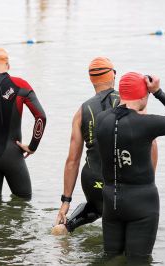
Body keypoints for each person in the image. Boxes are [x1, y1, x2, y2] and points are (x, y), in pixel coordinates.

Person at [96, 72, 165, 258]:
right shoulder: (146, 124)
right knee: (139, 262)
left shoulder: (101, 120)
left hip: (111, 203)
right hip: (142, 204)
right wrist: (158, 92)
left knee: (111, 259)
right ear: (143, 95)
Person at [51, 57, 120, 234]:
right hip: (120, 183)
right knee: (125, 220)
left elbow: (72, 161)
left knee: (95, 208)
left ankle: (65, 226)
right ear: (113, 75)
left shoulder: (81, 111)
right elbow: (150, 145)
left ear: (91, 80)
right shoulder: (130, 102)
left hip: (92, 181)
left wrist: (65, 201)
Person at [0, 48, 46, 199]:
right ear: (8, 65)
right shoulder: (20, 85)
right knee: (24, 200)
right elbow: (41, 117)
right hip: (13, 154)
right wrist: (32, 147)